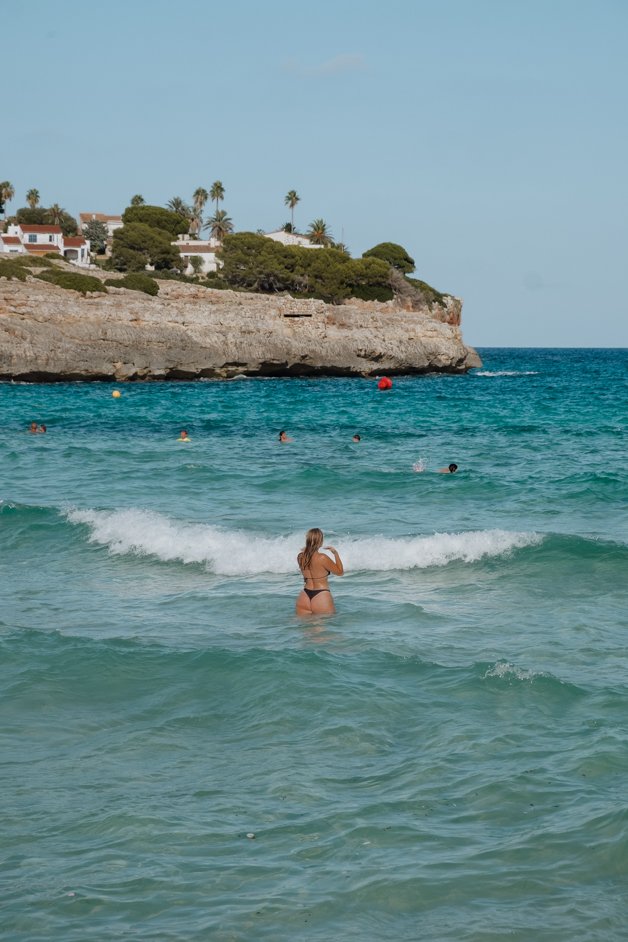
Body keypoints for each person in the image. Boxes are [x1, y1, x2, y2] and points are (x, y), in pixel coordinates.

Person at [296, 528, 344, 616]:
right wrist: (335, 553)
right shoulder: (322, 557)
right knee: (323, 628)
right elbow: (340, 572)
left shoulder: (300, 557)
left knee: (304, 628)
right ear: (320, 541)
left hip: (304, 596)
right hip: (321, 595)